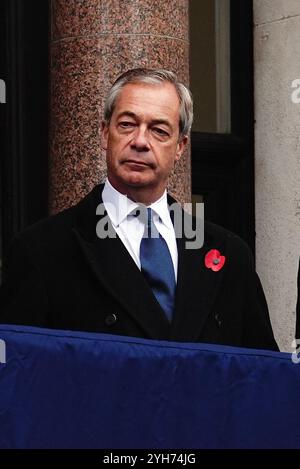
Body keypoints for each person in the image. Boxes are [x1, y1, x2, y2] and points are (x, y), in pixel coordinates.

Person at [0, 68, 278, 351]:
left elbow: (262, 377)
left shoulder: (229, 254)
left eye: (159, 130)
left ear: (180, 147)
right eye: (127, 125)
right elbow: (19, 377)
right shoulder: (42, 250)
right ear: (105, 134)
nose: (141, 142)